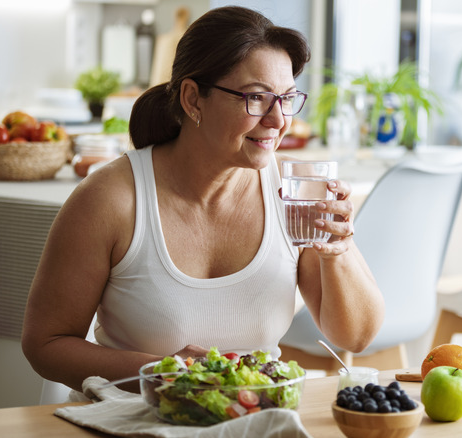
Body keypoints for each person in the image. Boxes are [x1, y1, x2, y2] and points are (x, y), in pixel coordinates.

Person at [21, 6, 385, 394]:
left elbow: (355, 338)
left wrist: (338, 251)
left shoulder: (297, 191)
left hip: (257, 420)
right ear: (193, 99)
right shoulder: (110, 199)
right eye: (257, 98)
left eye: (288, 98)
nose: (278, 120)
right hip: (132, 420)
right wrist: (160, 372)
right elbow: (45, 345)